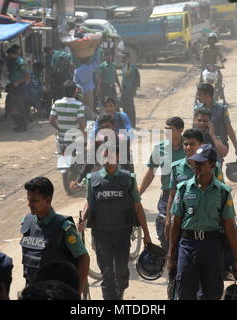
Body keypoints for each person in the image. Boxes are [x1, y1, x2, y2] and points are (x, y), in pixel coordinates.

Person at [167, 144, 237, 300]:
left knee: (211, 293)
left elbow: (229, 227)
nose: (197, 165)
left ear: (211, 164)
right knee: (184, 292)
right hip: (187, 245)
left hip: (212, 246)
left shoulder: (223, 192)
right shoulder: (183, 189)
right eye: (195, 162)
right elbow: (176, 224)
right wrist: (170, 255)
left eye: (201, 162)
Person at [78, 138, 152, 300]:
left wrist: (146, 234)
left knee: (120, 271)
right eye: (104, 155)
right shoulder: (92, 179)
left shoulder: (128, 179)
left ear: (118, 157)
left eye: (111, 155)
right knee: (107, 274)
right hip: (101, 234)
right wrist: (82, 219)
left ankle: (120, 291)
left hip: (122, 233)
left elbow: (137, 207)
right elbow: (89, 203)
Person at [20, 177, 89, 296]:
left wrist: (76, 293)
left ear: (48, 200)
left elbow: (83, 258)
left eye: (34, 200)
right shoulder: (27, 221)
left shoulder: (64, 227)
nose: (29, 204)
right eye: (28, 199)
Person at [164, 128, 225, 241]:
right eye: (185, 144)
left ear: (201, 145)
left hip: (209, 222)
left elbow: (222, 194)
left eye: (192, 144)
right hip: (185, 222)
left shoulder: (214, 167)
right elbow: (172, 195)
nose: (188, 148)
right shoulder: (176, 168)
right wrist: (168, 220)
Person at [139, 117, 185, 251]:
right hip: (167, 196)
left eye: (171, 130)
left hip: (187, 195)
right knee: (164, 228)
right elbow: (150, 173)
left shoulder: (189, 147)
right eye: (166, 130)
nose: (167, 133)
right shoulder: (160, 149)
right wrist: (138, 193)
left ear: (180, 130)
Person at [194, 83, 237, 162]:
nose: (197, 97)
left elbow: (229, 129)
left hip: (219, 146)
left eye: (199, 94)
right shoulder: (197, 110)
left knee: (216, 167)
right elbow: (195, 128)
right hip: (203, 144)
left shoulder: (221, 109)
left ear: (207, 95)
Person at [49, 80, 86, 149]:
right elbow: (82, 124)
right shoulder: (79, 105)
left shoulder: (57, 103)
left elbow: (51, 120)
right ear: (76, 91)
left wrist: (59, 129)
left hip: (61, 139)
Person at [5, 45, 30, 132]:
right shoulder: (14, 61)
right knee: (12, 106)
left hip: (20, 87)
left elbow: (27, 75)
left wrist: (18, 82)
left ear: (14, 54)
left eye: (10, 55)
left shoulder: (20, 62)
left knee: (19, 106)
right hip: (14, 87)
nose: (9, 57)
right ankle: (20, 124)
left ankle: (23, 125)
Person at [73, 48, 102, 116]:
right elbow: (97, 62)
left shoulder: (77, 71)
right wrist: (95, 51)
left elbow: (75, 83)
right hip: (89, 91)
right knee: (90, 109)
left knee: (81, 109)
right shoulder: (90, 68)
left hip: (80, 92)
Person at [201, 33, 225, 103]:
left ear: (215, 40)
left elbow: (221, 56)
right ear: (208, 40)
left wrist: (222, 62)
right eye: (210, 39)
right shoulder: (205, 48)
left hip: (214, 66)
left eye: (213, 40)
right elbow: (202, 58)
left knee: (220, 77)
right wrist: (202, 65)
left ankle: (221, 94)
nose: (211, 41)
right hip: (206, 67)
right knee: (201, 80)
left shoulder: (217, 48)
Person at [120, 50, 140, 128]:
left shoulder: (131, 66)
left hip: (130, 89)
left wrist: (127, 63)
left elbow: (127, 74)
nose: (122, 58)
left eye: (124, 57)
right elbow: (123, 78)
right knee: (124, 106)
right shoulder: (124, 65)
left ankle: (132, 124)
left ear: (128, 58)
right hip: (125, 88)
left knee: (130, 107)